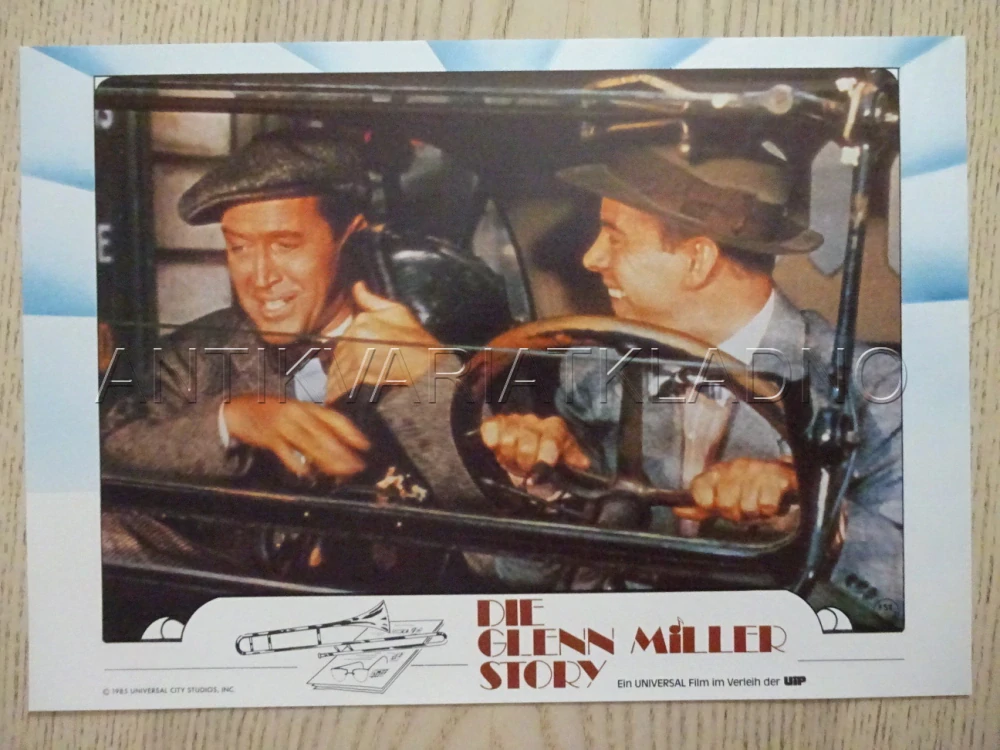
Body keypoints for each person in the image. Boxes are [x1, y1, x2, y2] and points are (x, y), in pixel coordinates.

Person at [474, 143, 903, 625]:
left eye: (615, 237)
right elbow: (528, 585)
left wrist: (813, 517)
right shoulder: (595, 370)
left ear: (698, 259)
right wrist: (549, 486)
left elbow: (907, 597)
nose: (592, 258)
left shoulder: (872, 389)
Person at [100, 130, 479, 586]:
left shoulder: (439, 350)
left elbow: (505, 542)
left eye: (286, 245)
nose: (260, 277)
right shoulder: (196, 354)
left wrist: (434, 384)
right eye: (239, 248)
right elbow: (116, 450)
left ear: (353, 237)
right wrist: (232, 420)